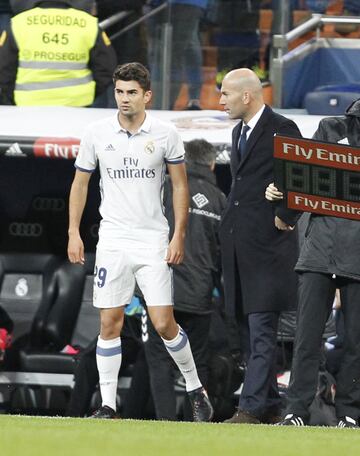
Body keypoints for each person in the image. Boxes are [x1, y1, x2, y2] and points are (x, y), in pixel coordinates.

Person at [67, 62, 213, 421]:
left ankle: (195, 388)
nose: (124, 99)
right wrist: (73, 231)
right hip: (113, 239)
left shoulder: (165, 133)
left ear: (147, 95)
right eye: (119, 91)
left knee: (163, 323)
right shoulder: (96, 133)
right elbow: (81, 183)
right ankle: (107, 406)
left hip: (152, 240)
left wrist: (178, 234)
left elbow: (180, 185)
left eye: (131, 92)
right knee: (109, 323)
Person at [266, 98, 360, 428]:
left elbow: (305, 178)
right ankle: (303, 412)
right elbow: (304, 178)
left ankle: (342, 414)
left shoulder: (331, 127)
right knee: (312, 338)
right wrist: (283, 203)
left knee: (348, 342)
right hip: (321, 250)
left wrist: (286, 212)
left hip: (336, 251)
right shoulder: (332, 128)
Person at [218, 68, 301, 424]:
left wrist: (286, 212)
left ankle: (250, 408)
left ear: (247, 96)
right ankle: (269, 404)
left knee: (262, 327)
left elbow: (301, 177)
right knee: (247, 331)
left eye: (225, 94)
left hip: (269, 248)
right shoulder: (238, 131)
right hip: (239, 246)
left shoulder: (283, 128)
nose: (220, 101)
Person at [143, 138, 226, 420]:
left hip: (162, 291)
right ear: (212, 164)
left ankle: (166, 422)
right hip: (201, 294)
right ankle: (198, 421)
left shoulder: (163, 189)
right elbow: (224, 254)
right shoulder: (220, 200)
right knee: (198, 361)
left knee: (158, 359)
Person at [0, 0, 117, 106]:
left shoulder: (18, 23)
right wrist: (90, 92)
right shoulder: (88, 23)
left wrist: (12, 97)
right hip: (78, 103)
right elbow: (106, 66)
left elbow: (4, 67)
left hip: (28, 103)